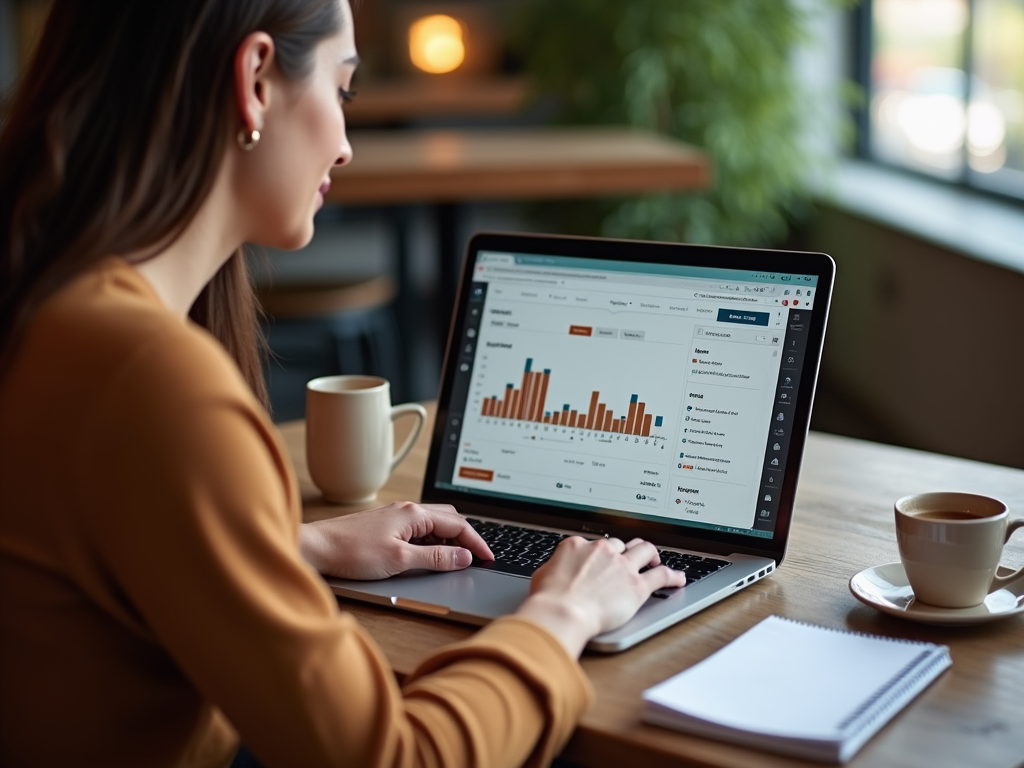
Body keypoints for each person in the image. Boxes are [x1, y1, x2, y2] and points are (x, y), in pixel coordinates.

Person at [0, 1, 686, 766]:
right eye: (343, 89)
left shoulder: (50, 309)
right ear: (256, 79)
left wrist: (292, 548)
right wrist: (564, 612)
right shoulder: (156, 381)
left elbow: (92, 563)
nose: (347, 145)